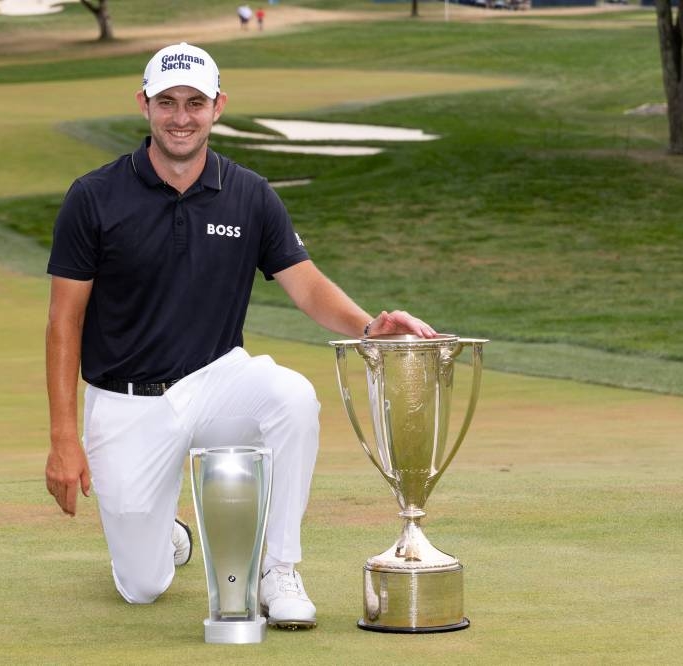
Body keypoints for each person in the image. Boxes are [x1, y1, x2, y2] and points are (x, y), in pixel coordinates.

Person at [44, 42, 437, 629]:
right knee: (143, 586)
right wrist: (63, 439)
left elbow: (305, 286)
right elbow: (63, 322)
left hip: (215, 380)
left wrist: (369, 329)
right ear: (144, 105)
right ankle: (170, 534)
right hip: (126, 402)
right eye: (168, 102)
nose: (182, 117)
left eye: (195, 103)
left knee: (291, 396)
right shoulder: (94, 197)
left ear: (218, 106)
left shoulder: (249, 193)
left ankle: (277, 570)